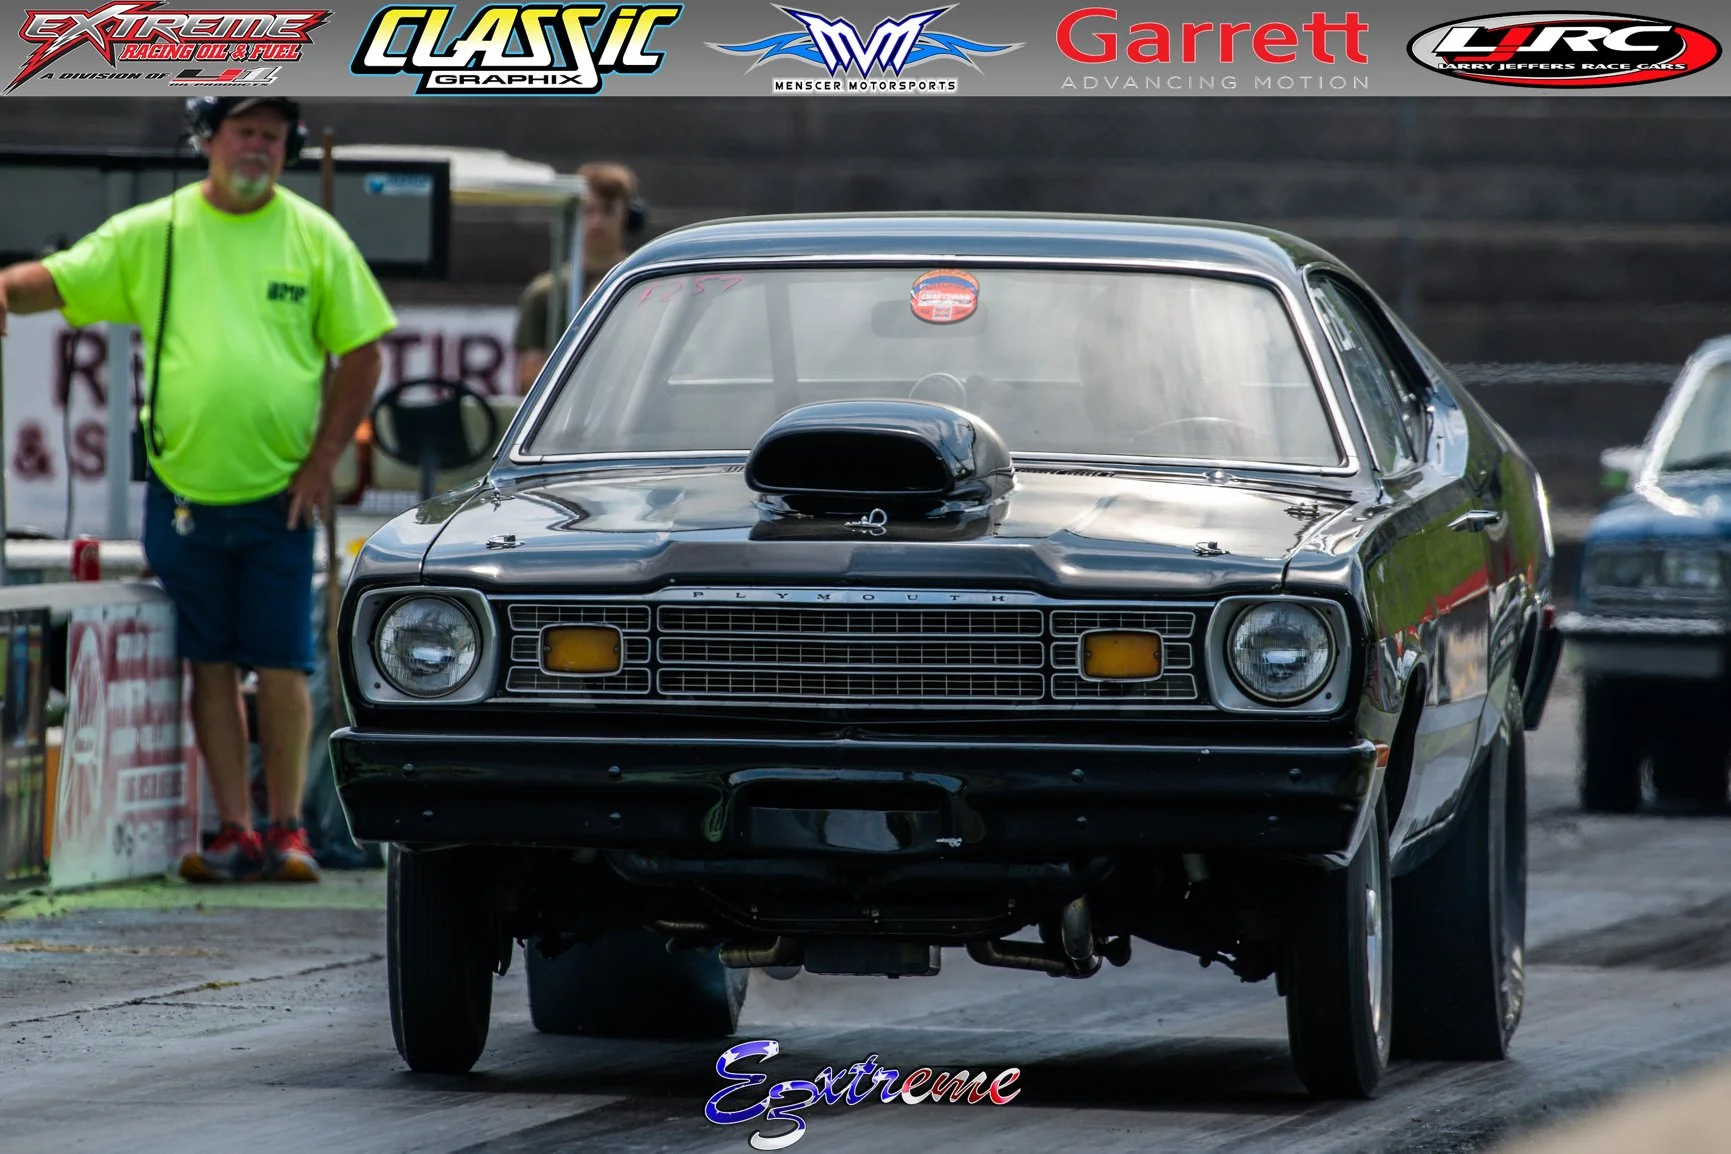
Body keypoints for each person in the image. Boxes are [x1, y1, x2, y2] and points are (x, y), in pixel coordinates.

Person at [0, 96, 396, 883]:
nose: (259, 148)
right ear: (208, 140)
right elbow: (51, 281)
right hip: (182, 493)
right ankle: (237, 831)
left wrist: (322, 462)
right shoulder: (158, 231)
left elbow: (364, 352)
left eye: (274, 137)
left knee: (283, 666)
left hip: (282, 497)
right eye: (245, 132)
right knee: (208, 664)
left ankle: (288, 831)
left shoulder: (315, 235)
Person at [513, 161, 643, 391]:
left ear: (629, 217)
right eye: (588, 211)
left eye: (608, 210)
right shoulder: (544, 293)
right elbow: (528, 381)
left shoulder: (645, 285)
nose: (597, 222)